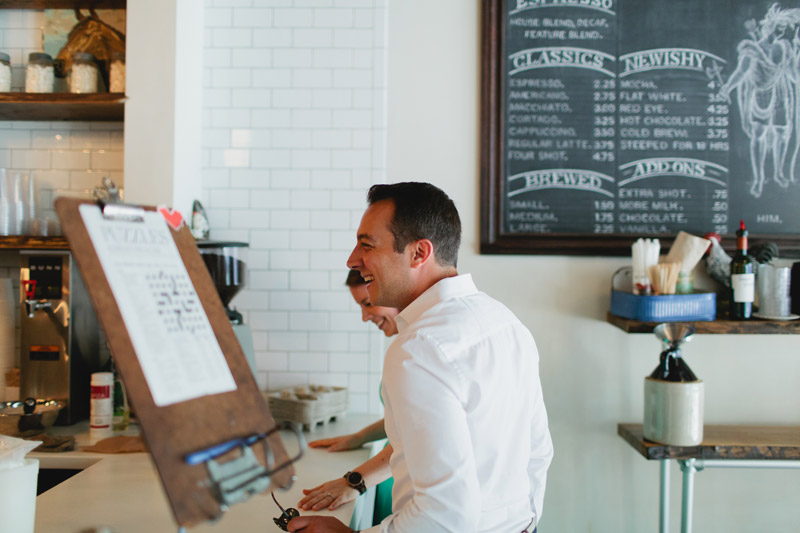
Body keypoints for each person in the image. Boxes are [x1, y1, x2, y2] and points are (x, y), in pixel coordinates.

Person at [288, 182, 553, 533]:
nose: (353, 260)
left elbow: (444, 515)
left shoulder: (419, 349)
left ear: (418, 253)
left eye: (367, 245)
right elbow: (538, 452)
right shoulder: (505, 321)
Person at [298, 269, 396, 525]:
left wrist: (354, 482)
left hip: (392, 475)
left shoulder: (418, 349)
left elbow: (416, 438)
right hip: (386, 473)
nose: (365, 317)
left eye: (367, 303)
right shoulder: (402, 345)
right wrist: (358, 438)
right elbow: (401, 421)